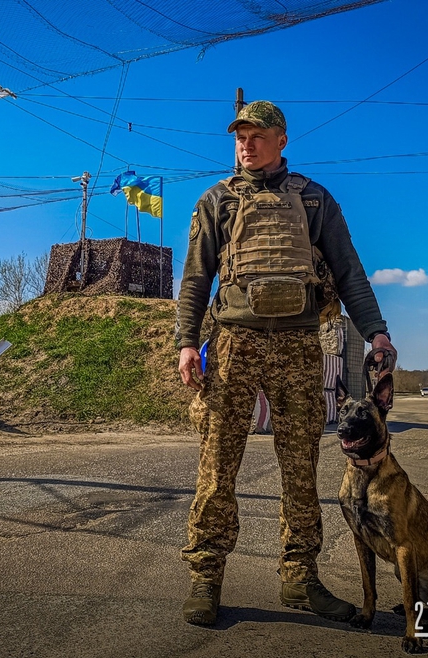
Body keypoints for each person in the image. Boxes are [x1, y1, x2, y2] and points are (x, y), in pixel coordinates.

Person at [175, 100, 397, 626]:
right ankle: (206, 577)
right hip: (234, 343)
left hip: (299, 346)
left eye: (256, 136)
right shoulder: (217, 201)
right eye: (239, 137)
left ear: (282, 140)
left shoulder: (316, 200)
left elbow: (348, 271)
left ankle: (300, 578)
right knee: (217, 465)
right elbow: (195, 278)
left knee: (301, 469)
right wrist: (187, 341)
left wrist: (376, 331)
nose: (245, 145)